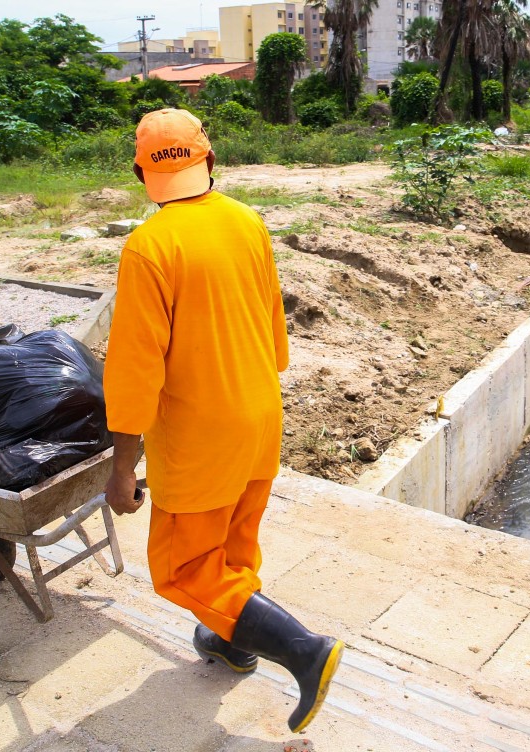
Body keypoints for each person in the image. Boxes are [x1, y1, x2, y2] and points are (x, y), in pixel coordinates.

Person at [102, 108, 343, 734]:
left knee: (181, 567)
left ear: (140, 173)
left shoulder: (150, 247)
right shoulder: (247, 221)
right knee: (235, 548)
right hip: (260, 414)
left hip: (201, 436)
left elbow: (134, 372)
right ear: (209, 160)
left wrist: (122, 466)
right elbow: (273, 328)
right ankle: (234, 641)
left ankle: (303, 650)